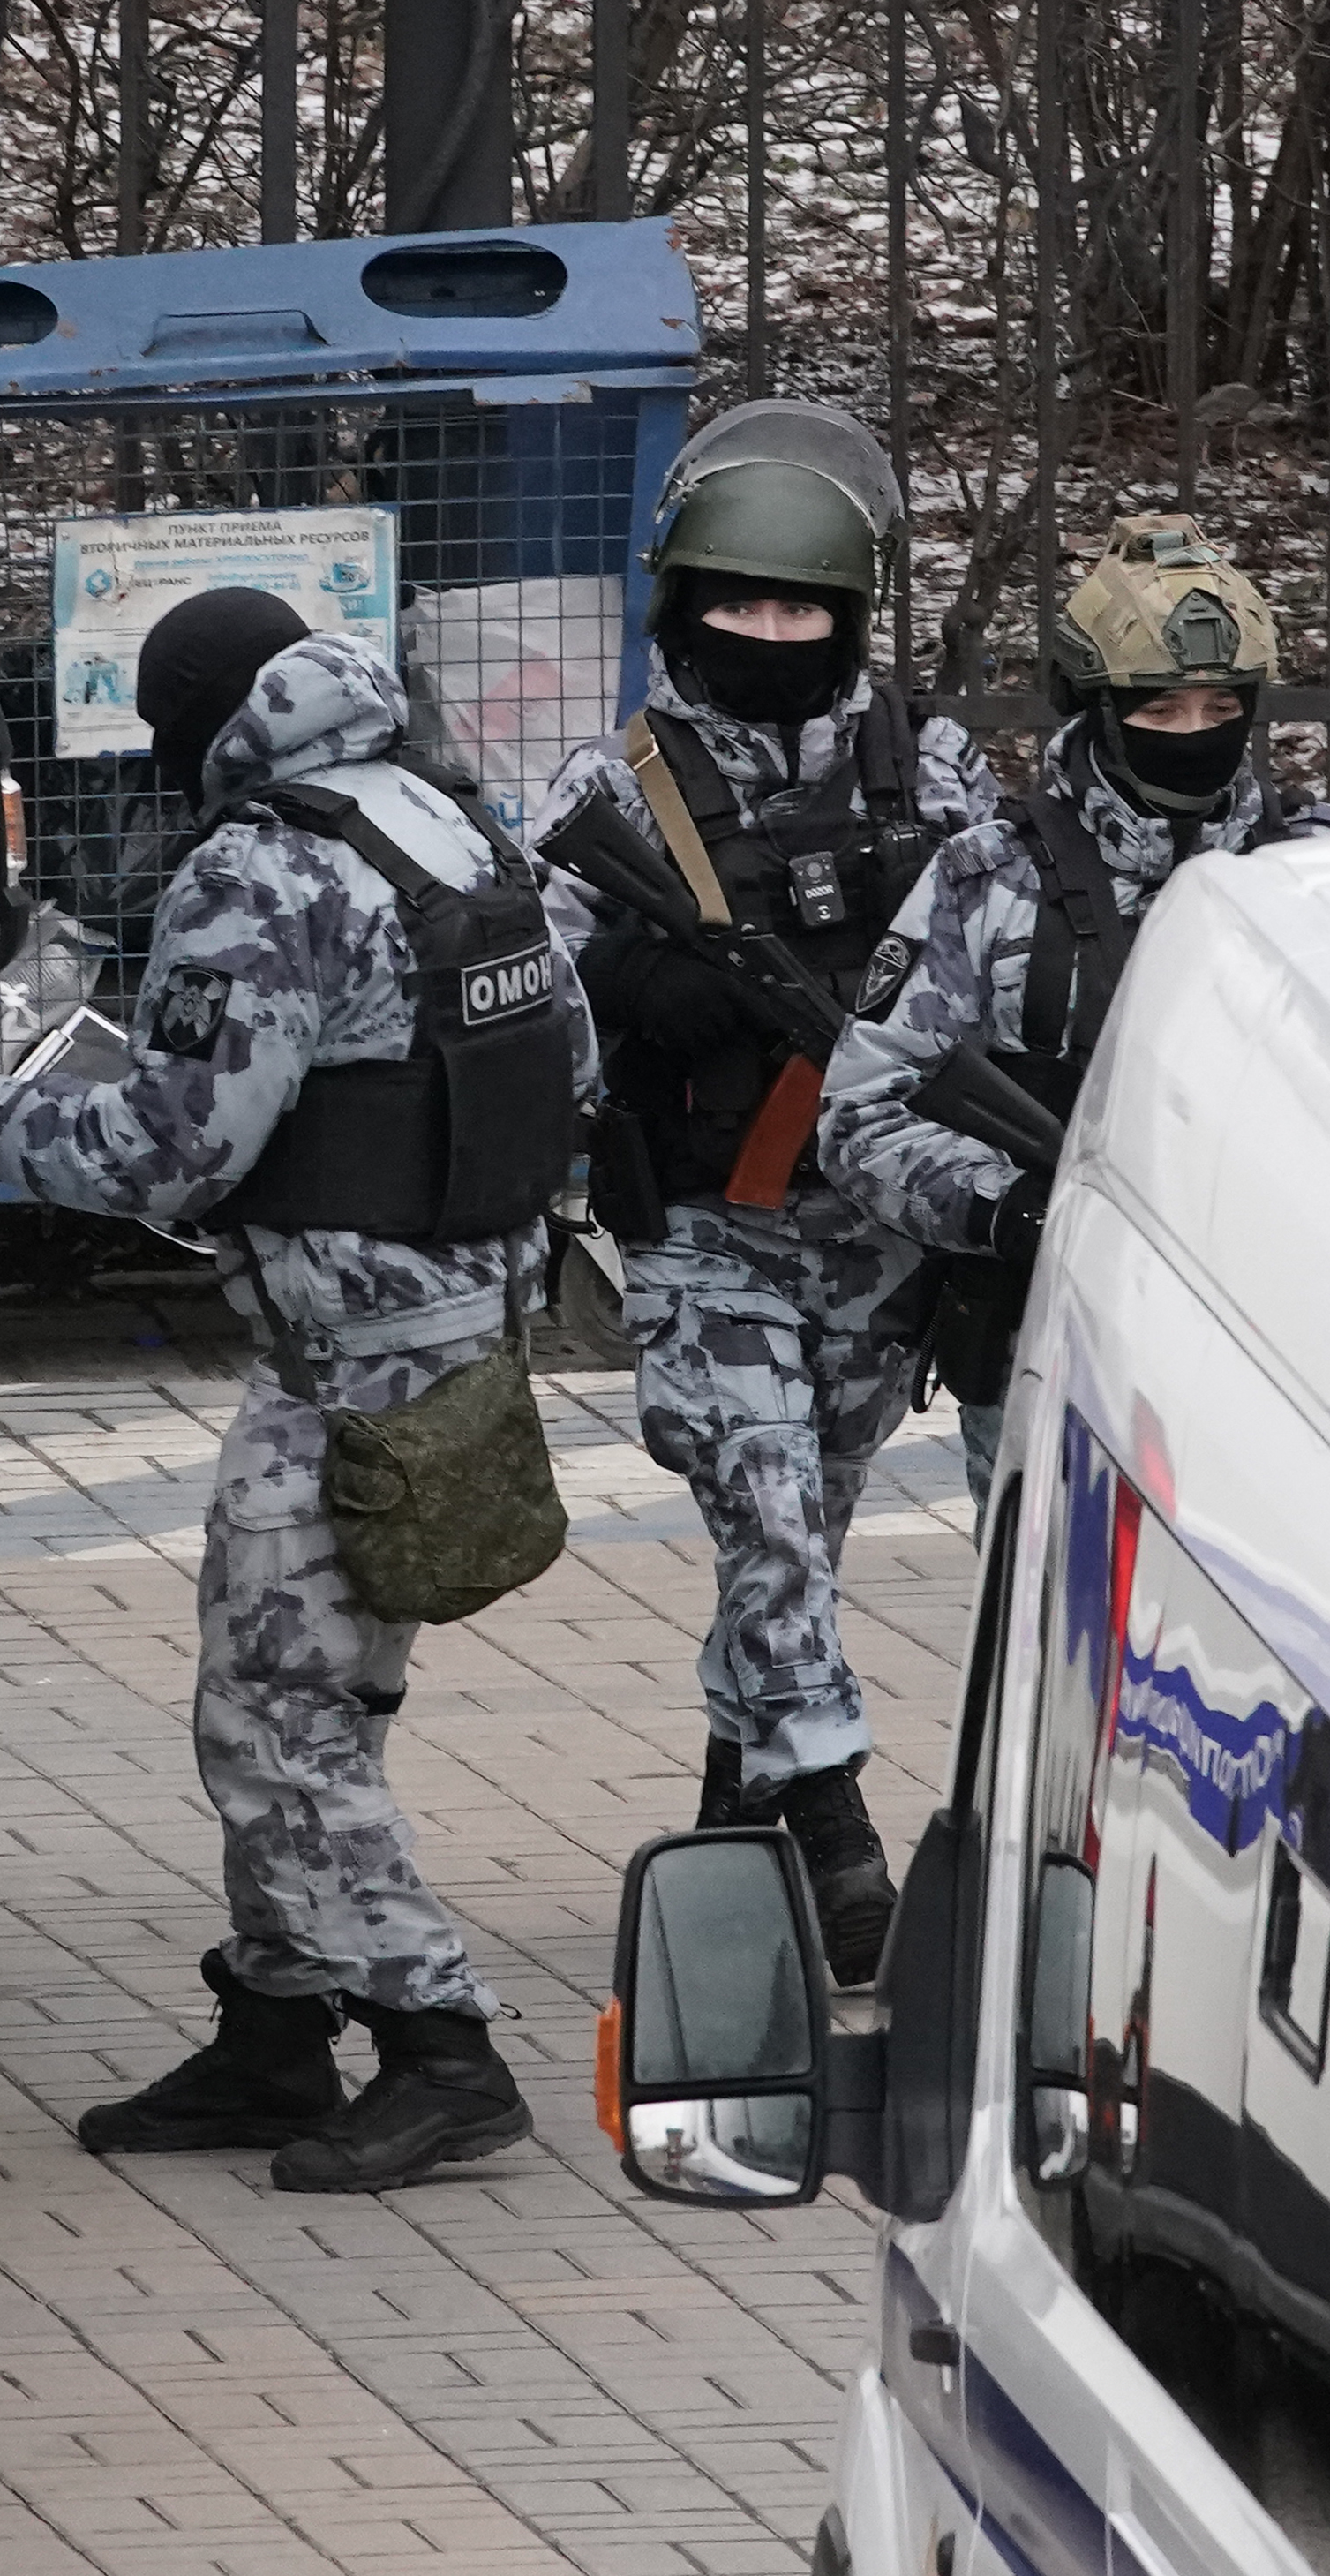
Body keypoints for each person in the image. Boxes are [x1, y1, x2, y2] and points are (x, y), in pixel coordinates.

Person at [0, 586, 594, 2195]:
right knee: (289, 1686)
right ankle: (276, 2021)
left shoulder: (259, 865)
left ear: (198, 725)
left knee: (278, 1718)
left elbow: (177, 1146)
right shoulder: (442, 819)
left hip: (350, 1367)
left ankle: (441, 2047)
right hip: (455, 1328)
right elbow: (563, 1072)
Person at [538, 405, 990, 1986]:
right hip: (704, 1233)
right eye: (740, 603)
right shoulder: (619, 782)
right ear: (682, 604)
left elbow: (990, 962)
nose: (771, 632)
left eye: (801, 607)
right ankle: (838, 1835)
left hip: (873, 1229)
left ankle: (734, 1823)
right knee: (773, 1522)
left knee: (803, 1538)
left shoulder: (927, 766)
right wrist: (634, 984)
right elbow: (541, 1003)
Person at [818, 513, 1330, 1501]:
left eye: (1216, 707)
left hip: (1276, 1340)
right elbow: (863, 1114)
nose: (1193, 735)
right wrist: (1015, 1208)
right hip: (1051, 1335)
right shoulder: (987, 876)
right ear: (1095, 707)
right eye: (1158, 711)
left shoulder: (1311, 870)